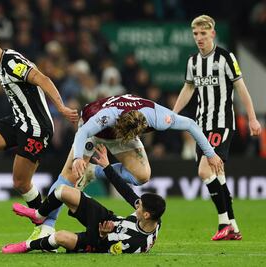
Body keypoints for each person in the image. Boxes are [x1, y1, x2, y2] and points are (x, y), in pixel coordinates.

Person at [33, 93, 223, 240]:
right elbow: (83, 132)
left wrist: (211, 153)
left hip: (125, 133)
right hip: (93, 131)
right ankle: (46, 228)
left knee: (142, 176)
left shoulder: (158, 117)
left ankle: (95, 171)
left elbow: (190, 124)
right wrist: (77, 159)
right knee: (70, 174)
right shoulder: (107, 117)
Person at [0, 32, 78, 224]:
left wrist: (61, 107)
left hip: (36, 127)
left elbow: (43, 80)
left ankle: (42, 224)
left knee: (21, 183)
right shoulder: (2, 64)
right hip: (19, 120)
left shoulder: (11, 63)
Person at [173, 15, 262, 241]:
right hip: (200, 125)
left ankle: (223, 222)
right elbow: (188, 88)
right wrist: (173, 114)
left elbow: (241, 88)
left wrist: (252, 118)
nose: (199, 38)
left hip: (222, 123)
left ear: (212, 33)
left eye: (203, 33)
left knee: (205, 170)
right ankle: (233, 226)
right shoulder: (192, 61)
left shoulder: (225, 57)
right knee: (217, 174)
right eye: (195, 34)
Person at [2, 144, 166, 254]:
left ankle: (26, 246)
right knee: (63, 191)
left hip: (97, 241)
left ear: (146, 215)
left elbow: (104, 248)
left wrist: (102, 235)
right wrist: (107, 167)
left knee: (60, 237)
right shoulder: (154, 217)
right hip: (109, 219)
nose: (137, 206)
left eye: (140, 207)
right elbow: (126, 192)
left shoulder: (134, 243)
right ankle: (39, 215)